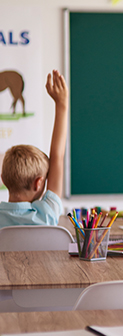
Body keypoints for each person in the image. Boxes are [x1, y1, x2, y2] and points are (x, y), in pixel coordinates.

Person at [0, 70, 68, 228]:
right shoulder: (47, 215)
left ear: (2, 178)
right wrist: (62, 104)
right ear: (39, 183)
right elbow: (57, 156)